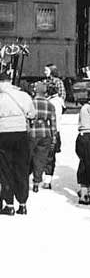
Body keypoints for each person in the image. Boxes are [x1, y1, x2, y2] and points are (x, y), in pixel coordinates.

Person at [0, 69, 34, 215]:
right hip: (21, 134)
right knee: (21, 168)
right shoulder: (23, 95)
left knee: (5, 169)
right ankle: (23, 203)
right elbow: (32, 114)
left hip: (3, 134)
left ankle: (9, 204)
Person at [27, 81, 57, 196]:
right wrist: (54, 137)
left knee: (28, 157)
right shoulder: (50, 105)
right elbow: (53, 123)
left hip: (32, 132)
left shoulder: (30, 103)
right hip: (45, 133)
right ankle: (36, 182)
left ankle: (24, 178)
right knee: (40, 159)